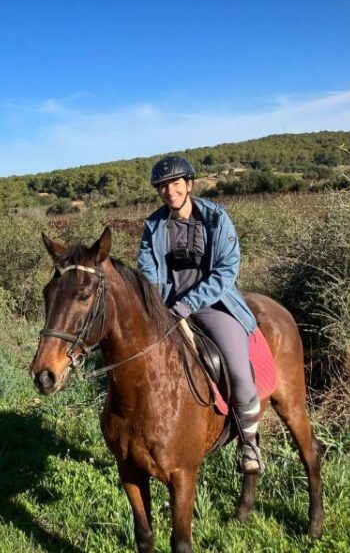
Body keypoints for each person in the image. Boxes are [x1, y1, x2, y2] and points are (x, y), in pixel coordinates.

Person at [136, 157, 263, 473]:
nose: (170, 191)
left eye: (176, 183)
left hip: (212, 304)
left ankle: (250, 444)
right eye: (163, 186)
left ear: (189, 184)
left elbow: (225, 270)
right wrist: (159, 307)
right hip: (167, 307)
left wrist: (188, 304)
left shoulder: (216, 218)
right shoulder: (153, 226)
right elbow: (148, 272)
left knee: (237, 368)